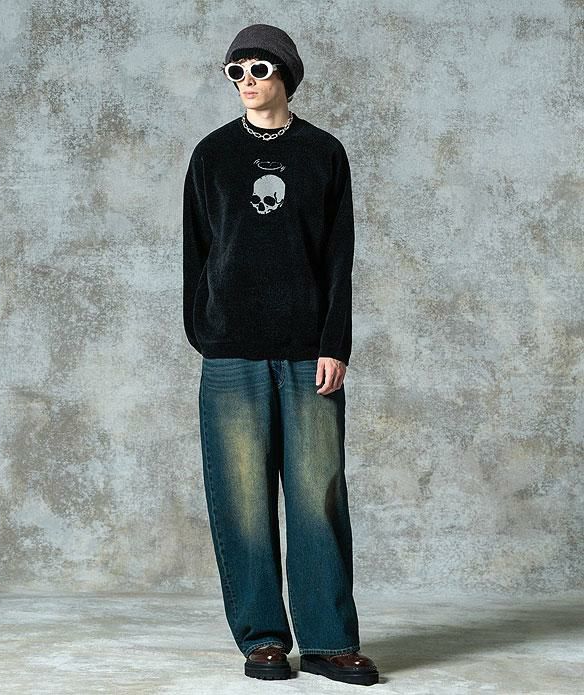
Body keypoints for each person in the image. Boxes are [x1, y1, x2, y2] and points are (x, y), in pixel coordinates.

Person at [182, 23, 379, 686]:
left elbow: (339, 256)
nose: (246, 80)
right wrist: (205, 331)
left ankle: (328, 641)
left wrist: (334, 343)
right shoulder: (212, 155)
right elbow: (196, 250)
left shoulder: (323, 153)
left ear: (286, 74)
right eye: (235, 70)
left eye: (259, 68)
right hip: (230, 353)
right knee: (240, 498)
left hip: (306, 353)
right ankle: (263, 637)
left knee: (318, 495)